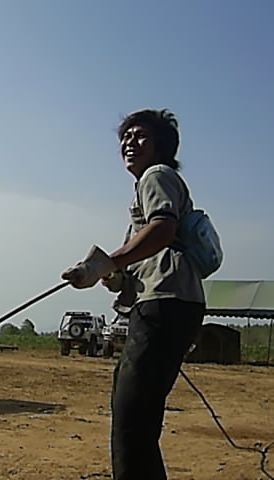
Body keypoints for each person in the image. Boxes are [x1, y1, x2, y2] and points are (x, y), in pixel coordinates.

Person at [61, 109, 205, 480]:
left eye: (141, 136)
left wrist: (104, 265)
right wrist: (111, 276)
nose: (130, 142)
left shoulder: (157, 175)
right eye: (126, 137)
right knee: (137, 418)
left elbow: (163, 229)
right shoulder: (147, 188)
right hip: (166, 303)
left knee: (131, 419)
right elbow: (143, 254)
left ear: (161, 146)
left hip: (165, 303)